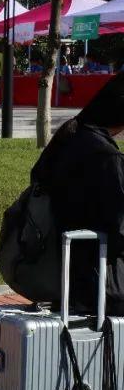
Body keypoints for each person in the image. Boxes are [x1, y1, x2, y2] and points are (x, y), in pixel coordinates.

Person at [30, 72, 124, 314]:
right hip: (102, 281)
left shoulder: (70, 137)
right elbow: (118, 229)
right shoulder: (106, 157)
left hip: (62, 272)